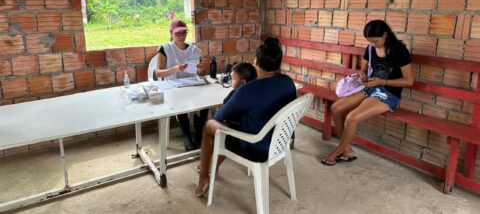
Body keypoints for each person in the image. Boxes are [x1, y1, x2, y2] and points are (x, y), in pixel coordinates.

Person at [194, 37, 297, 197]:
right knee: (227, 126)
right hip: (280, 143)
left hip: (256, 148)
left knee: (210, 126)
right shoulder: (288, 82)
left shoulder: (248, 90)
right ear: (278, 63)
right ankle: (210, 167)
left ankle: (204, 177)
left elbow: (220, 115)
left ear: (256, 62)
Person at [321, 20, 414, 166]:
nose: (373, 44)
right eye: (370, 42)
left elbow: (409, 81)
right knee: (336, 108)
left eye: (375, 41)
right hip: (370, 87)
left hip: (388, 93)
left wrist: (382, 82)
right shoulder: (370, 48)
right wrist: (363, 75)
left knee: (352, 118)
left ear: (385, 35)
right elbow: (363, 69)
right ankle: (347, 150)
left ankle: (337, 151)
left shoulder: (399, 51)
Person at [155, 19, 209, 151]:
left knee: (206, 101)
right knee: (180, 101)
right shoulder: (165, 49)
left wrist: (202, 68)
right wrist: (176, 69)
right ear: (171, 34)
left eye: (184, 33)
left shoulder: (194, 49)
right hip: (172, 85)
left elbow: (199, 73)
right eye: (177, 33)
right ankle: (186, 135)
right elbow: (158, 73)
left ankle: (198, 133)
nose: (181, 36)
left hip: (191, 83)